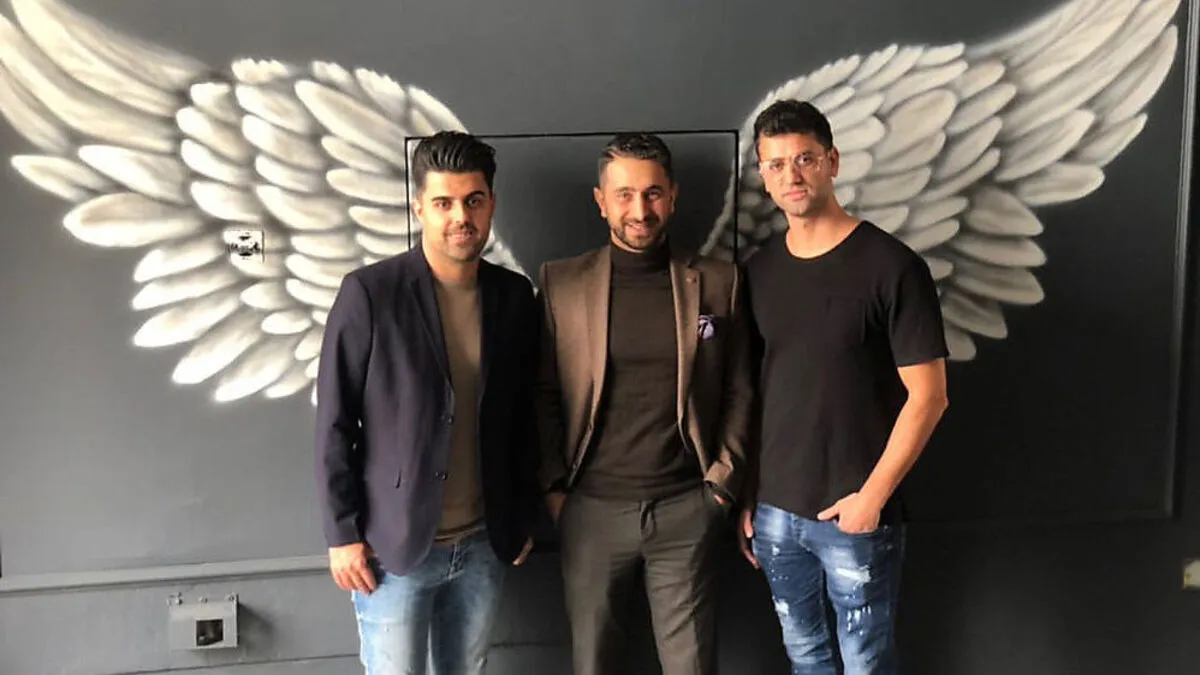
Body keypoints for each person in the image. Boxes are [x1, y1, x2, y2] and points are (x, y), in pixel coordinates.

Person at [314, 131, 540, 675]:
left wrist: (523, 515)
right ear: (419, 208)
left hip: (484, 544)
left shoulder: (513, 296)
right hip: (393, 551)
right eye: (443, 203)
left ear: (491, 204)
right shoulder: (370, 294)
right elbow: (334, 422)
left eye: (473, 200)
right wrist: (342, 535)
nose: (460, 216)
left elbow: (524, 418)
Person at [737, 98, 950, 675]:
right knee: (804, 657)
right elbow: (758, 391)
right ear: (764, 175)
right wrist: (751, 493)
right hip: (775, 512)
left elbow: (930, 396)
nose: (792, 175)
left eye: (805, 158)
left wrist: (872, 498)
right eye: (776, 164)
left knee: (866, 663)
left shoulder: (891, 267)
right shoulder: (758, 273)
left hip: (855, 514)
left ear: (832, 161)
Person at [534, 132, 754, 675]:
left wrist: (721, 485)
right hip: (591, 513)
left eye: (653, 193)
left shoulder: (719, 282)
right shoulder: (561, 283)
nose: (640, 210)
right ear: (601, 200)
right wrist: (556, 490)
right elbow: (542, 393)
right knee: (595, 664)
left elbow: (740, 387)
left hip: (687, 509)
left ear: (672, 196)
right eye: (625, 194)